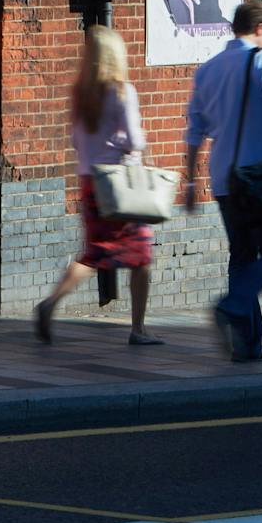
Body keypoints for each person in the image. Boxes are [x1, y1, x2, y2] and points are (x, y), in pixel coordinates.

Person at [183, 0, 262, 362]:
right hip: (260, 177)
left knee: (242, 256)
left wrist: (189, 183)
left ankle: (246, 345)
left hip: (224, 179)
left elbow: (194, 133)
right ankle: (232, 306)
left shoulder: (207, 70)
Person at [34, 25, 162, 346]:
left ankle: (50, 303)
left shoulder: (80, 93)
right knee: (142, 255)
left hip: (90, 182)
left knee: (94, 253)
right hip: (121, 186)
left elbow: (76, 140)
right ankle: (138, 329)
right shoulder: (122, 91)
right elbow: (134, 141)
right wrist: (127, 144)